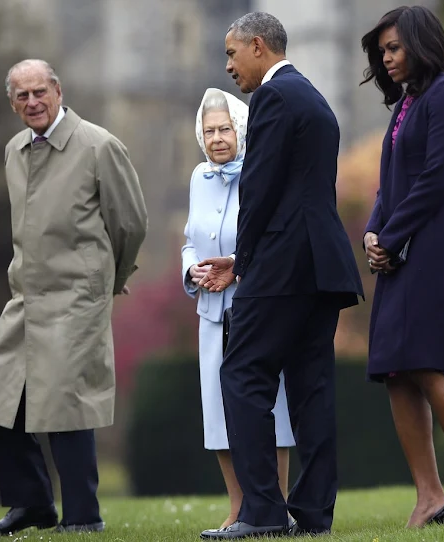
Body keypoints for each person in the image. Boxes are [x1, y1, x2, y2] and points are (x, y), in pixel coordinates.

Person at [198, 13, 364, 539]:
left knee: (242, 375)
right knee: (311, 389)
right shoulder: (313, 98)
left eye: (232, 54)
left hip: (279, 268)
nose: (228, 66)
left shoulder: (272, 98)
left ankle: (262, 513)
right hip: (321, 267)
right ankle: (313, 515)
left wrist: (243, 263)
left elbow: (260, 190)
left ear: (258, 45)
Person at [0, 59, 148, 535]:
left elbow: (130, 223)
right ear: (13, 103)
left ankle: (84, 516)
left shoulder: (98, 145)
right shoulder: (14, 151)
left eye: (39, 92)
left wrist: (106, 280)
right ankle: (32, 505)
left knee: (68, 408)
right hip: (24, 299)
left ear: (58, 90)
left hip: (77, 299)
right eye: (22, 96)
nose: (32, 102)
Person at [360, 6, 444, 528]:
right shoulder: (406, 104)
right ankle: (429, 496)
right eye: (383, 51)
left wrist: (391, 238)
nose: (387, 58)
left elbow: (438, 178)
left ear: (420, 43)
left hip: (439, 245)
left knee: (430, 363)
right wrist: (375, 232)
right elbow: (389, 183)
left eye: (394, 48)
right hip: (400, 247)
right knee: (396, 369)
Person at [181, 88, 295, 530]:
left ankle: (276, 507)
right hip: (211, 310)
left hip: (256, 306)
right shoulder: (197, 178)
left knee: (271, 409)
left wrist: (240, 271)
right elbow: (192, 238)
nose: (217, 138)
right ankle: (238, 508)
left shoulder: (260, 173)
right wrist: (191, 271)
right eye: (209, 131)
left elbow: (270, 239)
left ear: (241, 130)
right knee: (219, 416)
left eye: (225, 128)